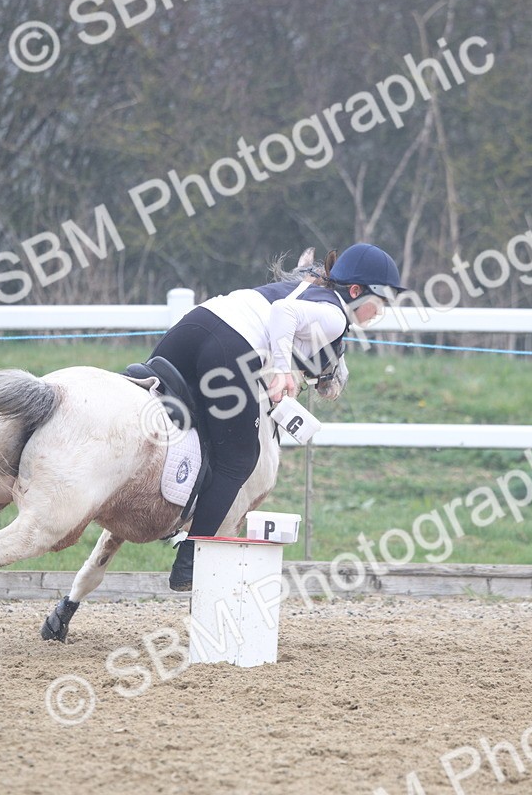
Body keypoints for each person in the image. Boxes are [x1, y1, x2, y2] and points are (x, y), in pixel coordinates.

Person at [150, 242, 407, 590]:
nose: (382, 311)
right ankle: (189, 561)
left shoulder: (309, 289)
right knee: (239, 460)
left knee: (154, 407)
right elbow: (284, 314)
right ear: (357, 292)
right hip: (230, 345)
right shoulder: (334, 316)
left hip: (196, 323)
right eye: (382, 300)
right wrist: (283, 371)